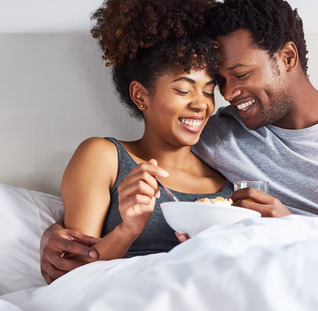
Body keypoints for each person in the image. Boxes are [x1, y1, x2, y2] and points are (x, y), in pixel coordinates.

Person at [40, 0, 318, 283]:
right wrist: (55, 232)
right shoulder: (217, 133)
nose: (224, 96)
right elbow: (149, 162)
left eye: (238, 75)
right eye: (220, 82)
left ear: (287, 57)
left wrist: (293, 228)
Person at [59, 0, 233, 262]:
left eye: (208, 91)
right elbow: (70, 272)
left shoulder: (226, 180)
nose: (201, 104)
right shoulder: (104, 157)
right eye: (183, 90)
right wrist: (127, 229)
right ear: (140, 95)